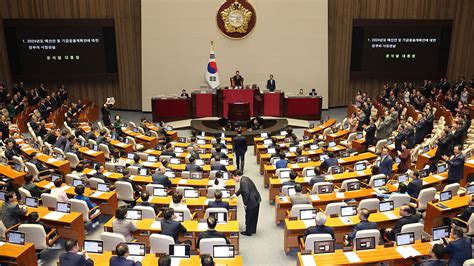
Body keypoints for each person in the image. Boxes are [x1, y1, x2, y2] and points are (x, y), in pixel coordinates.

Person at [233, 170, 261, 236]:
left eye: (234, 178)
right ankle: (253, 229)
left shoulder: (243, 182)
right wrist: (235, 195)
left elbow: (246, 193)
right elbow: (241, 189)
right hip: (256, 200)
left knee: (249, 216)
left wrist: (245, 204)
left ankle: (248, 232)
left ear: (237, 176)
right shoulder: (245, 178)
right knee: (254, 217)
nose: (234, 180)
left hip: (251, 202)